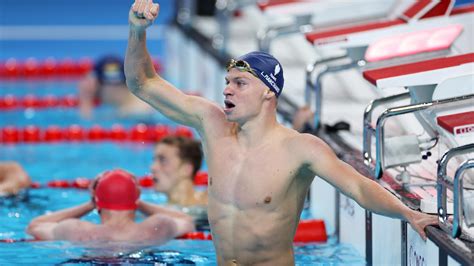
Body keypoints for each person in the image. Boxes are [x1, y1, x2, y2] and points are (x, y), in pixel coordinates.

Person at [125, 1, 438, 264]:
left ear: (268, 94)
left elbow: (358, 188)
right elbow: (143, 83)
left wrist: (408, 214)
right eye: (227, 82)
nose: (227, 91)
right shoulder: (212, 125)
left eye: (240, 83)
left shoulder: (299, 149)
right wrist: (137, 32)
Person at [27, 169, 194, 242]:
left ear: (97, 201)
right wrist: (137, 200)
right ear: (136, 198)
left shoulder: (77, 230)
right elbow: (187, 221)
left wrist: (89, 205)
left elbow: (35, 226)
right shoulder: (157, 227)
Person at [78, 55, 153, 118]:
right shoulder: (139, 103)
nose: (96, 94)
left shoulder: (135, 112)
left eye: (97, 89)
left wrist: (86, 99)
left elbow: (86, 120)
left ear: (109, 88)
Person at [151, 135, 207, 206]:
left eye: (162, 160)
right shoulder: (159, 209)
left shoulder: (209, 202)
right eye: (154, 160)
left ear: (186, 169)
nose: (153, 167)